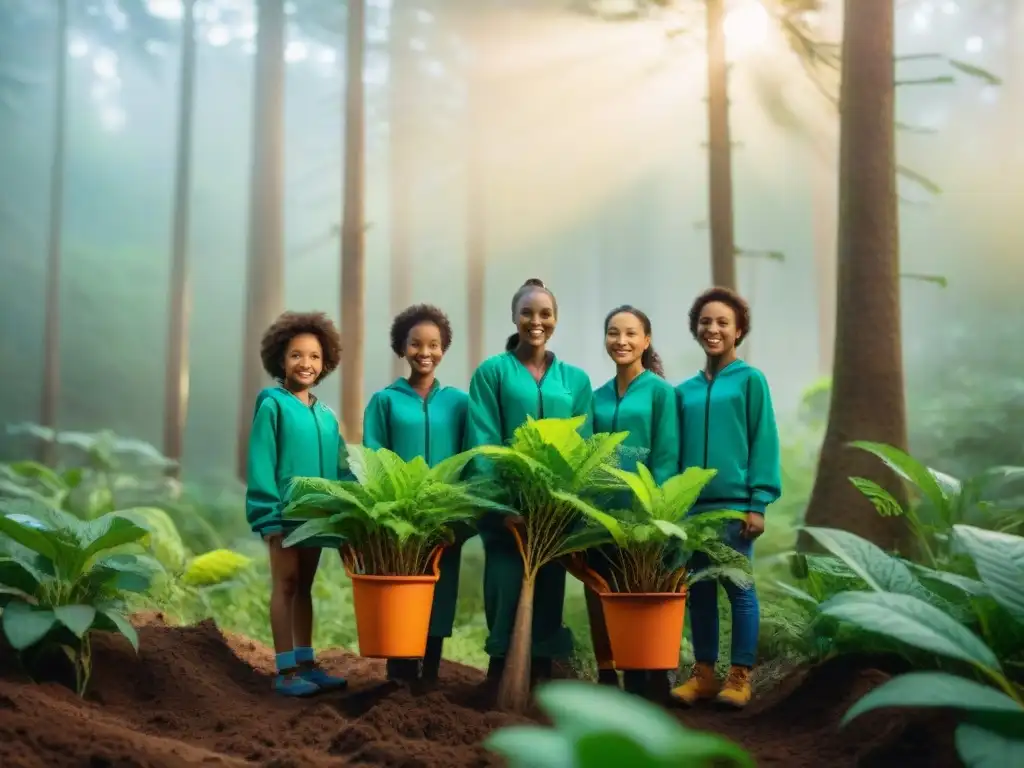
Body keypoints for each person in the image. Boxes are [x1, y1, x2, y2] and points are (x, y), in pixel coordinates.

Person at [465, 278, 594, 685]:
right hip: (507, 513)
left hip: (552, 512)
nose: (536, 321)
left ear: (555, 319)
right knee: (504, 584)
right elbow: (483, 440)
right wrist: (502, 509)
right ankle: (499, 673)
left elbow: (583, 447)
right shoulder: (492, 373)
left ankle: (541, 676)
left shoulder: (575, 381)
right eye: (527, 313)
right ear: (514, 317)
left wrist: (566, 504)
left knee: (550, 591)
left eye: (545, 314)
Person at [669, 287, 781, 709]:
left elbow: (763, 440)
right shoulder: (684, 391)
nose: (712, 329)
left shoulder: (751, 381)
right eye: (705, 322)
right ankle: (703, 676)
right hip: (693, 509)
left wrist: (759, 502)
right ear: (696, 329)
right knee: (699, 591)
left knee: (739, 588)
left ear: (738, 332)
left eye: (722, 323)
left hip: (736, 506)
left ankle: (740, 677)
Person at [245, 311, 350, 697]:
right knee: (285, 585)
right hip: (284, 516)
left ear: (325, 363)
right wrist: (267, 515)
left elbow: (342, 468)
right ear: (280, 359)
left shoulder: (326, 416)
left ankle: (307, 662)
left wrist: (347, 513)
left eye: (314, 357)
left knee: (305, 586)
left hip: (317, 518)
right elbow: (261, 461)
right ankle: (286, 671)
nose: (305, 363)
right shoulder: (272, 403)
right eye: (296, 355)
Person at [362, 304, 469, 684]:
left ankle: (430, 677)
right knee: (401, 592)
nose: (425, 352)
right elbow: (372, 460)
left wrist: (461, 519)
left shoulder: (459, 403)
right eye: (416, 344)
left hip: (443, 520)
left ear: (444, 348)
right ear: (402, 348)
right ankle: (400, 675)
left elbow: (470, 460)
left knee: (439, 595)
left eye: (434, 345)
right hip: (399, 521)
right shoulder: (384, 401)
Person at [584, 305, 679, 698]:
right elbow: (588, 455)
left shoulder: (660, 392)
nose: (620, 341)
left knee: (644, 595)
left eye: (630, 333)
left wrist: (655, 513)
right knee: (605, 591)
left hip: (646, 517)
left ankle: (653, 679)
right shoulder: (596, 397)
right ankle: (610, 677)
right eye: (612, 333)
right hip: (604, 515)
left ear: (646, 340)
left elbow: (668, 455)